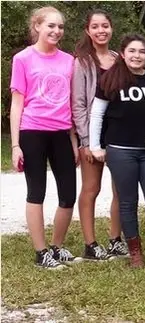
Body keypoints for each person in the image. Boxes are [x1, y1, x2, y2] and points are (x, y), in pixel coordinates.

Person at [89, 34, 145, 268]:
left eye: (142, 51)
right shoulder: (109, 79)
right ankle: (135, 253)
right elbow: (97, 115)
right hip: (120, 150)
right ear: (123, 54)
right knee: (128, 202)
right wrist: (96, 146)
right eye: (132, 51)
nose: (137, 56)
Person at [10, 6, 81, 269]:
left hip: (61, 132)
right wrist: (16, 145)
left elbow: (71, 103)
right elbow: (17, 104)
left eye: (60, 26)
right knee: (36, 192)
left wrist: (74, 141)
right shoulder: (23, 59)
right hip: (32, 132)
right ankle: (41, 253)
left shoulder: (68, 60)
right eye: (51, 25)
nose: (56, 31)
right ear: (37, 26)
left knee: (68, 195)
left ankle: (57, 246)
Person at [71, 9, 129, 261]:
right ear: (88, 31)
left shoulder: (119, 59)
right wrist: (85, 140)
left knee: (120, 189)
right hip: (92, 135)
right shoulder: (82, 62)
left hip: (118, 134)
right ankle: (90, 243)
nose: (101, 30)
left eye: (105, 25)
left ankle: (115, 239)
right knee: (91, 188)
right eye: (95, 26)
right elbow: (79, 103)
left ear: (111, 28)